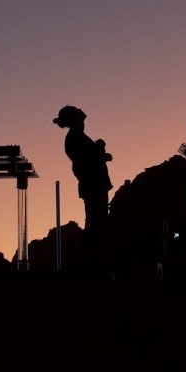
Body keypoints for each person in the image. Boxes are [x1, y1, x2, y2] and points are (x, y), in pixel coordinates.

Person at [54, 105, 113, 272]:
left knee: (96, 221)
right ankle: (93, 264)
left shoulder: (76, 137)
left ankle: (93, 263)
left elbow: (88, 159)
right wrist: (100, 149)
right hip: (94, 185)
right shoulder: (75, 138)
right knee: (96, 223)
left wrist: (101, 154)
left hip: (94, 184)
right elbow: (87, 160)